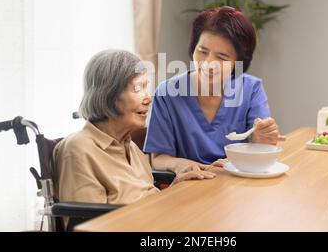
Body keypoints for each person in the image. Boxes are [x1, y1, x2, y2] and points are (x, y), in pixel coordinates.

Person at [53, 50, 215, 206]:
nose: (148, 98)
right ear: (109, 94)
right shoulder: (79, 148)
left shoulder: (131, 147)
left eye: (146, 87)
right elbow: (86, 222)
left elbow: (146, 199)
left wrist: (175, 188)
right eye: (138, 88)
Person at [144, 6, 285, 175]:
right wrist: (183, 165)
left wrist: (262, 139)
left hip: (236, 185)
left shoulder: (251, 89)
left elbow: (260, 144)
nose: (208, 63)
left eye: (221, 57)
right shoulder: (167, 93)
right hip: (188, 186)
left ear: (237, 62)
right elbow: (159, 157)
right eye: (202, 51)